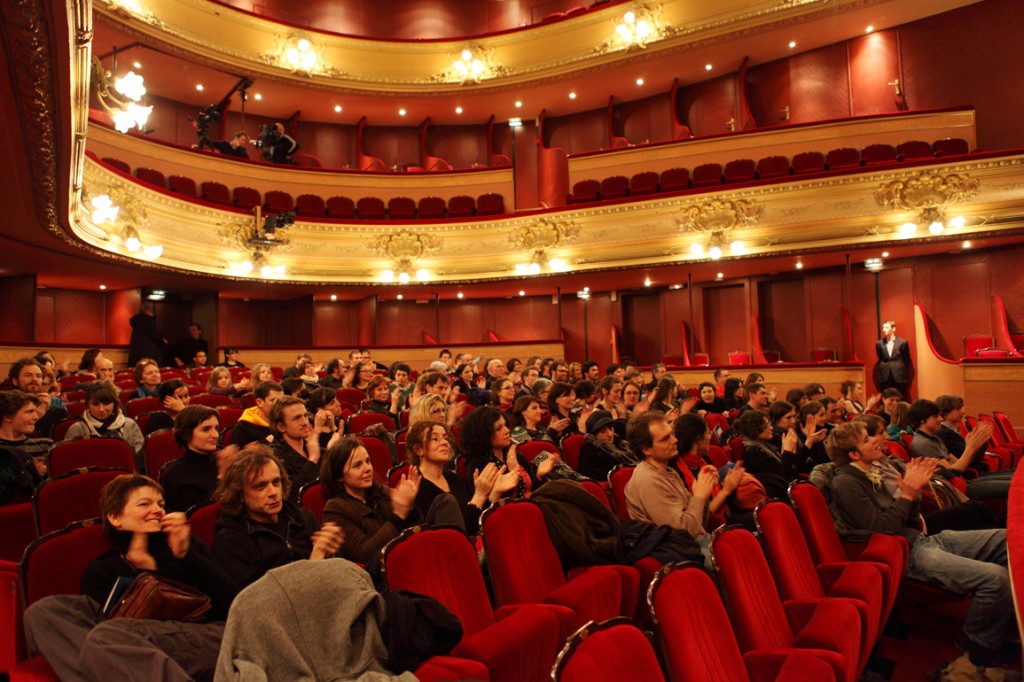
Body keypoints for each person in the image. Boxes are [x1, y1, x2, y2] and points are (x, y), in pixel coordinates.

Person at [825, 422, 1015, 669]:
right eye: (866, 439)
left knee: (1006, 538)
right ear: (854, 454)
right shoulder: (846, 483)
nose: (874, 440)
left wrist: (911, 492)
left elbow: (907, 516)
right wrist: (907, 494)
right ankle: (976, 644)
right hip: (907, 552)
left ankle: (1004, 622)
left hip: (921, 539)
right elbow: (881, 527)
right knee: (996, 578)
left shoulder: (869, 471)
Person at [23, 474, 238, 682]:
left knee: (107, 637)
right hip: (134, 651)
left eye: (161, 504)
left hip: (206, 636)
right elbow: (117, 639)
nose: (158, 510)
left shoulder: (185, 546)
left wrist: (184, 558)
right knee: (41, 613)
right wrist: (143, 575)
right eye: (145, 504)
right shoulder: (102, 570)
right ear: (115, 517)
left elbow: (235, 606)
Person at [212, 448, 343, 589]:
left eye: (276, 482)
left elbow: (333, 571)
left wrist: (330, 552)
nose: (273, 492)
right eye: (260, 486)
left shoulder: (303, 518)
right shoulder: (230, 541)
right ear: (240, 494)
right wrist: (314, 562)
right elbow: (254, 604)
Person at [624, 412, 718, 567]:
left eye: (672, 435)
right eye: (665, 439)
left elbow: (699, 523)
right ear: (647, 449)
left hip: (695, 544)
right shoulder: (649, 481)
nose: (675, 440)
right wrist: (699, 497)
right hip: (683, 554)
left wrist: (703, 493)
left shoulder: (669, 472)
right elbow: (686, 532)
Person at [321, 437, 420, 565]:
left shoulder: (380, 491)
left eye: (368, 461)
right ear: (339, 476)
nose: (368, 468)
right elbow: (364, 554)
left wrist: (409, 506)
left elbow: (417, 526)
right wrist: (399, 515)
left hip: (408, 556)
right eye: (357, 465)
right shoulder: (335, 509)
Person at [408, 420, 515, 535]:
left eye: (445, 438)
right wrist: (480, 495)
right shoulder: (417, 487)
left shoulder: (453, 478)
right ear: (419, 449)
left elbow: (474, 521)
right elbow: (459, 531)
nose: (444, 442)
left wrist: (494, 494)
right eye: (435, 439)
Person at [908, 399, 1011, 500]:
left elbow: (959, 465)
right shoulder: (923, 443)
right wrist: (971, 448)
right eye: (935, 416)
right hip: (956, 490)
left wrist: (972, 446)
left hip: (963, 482)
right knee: (1014, 487)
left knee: (1015, 479)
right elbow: (953, 471)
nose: (940, 419)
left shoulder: (934, 438)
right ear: (922, 420)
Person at [460, 406, 558, 499]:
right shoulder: (477, 465)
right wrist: (511, 470)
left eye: (505, 425)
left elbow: (532, 490)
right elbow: (484, 507)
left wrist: (539, 475)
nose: (507, 430)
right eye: (499, 428)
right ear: (483, 434)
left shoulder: (516, 455)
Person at [268, 395, 332, 502]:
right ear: (281, 427)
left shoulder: (312, 447)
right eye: (297, 418)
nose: (305, 422)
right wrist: (312, 460)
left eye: (305, 416)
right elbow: (289, 494)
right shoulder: (274, 457)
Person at [161, 405, 222, 512]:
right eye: (206, 429)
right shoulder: (175, 474)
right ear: (186, 434)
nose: (216, 435)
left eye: (216, 428)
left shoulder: (222, 463)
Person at [64, 382, 145, 463]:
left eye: (106, 404)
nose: (101, 409)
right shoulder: (77, 429)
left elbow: (139, 456)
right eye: (95, 404)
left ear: (114, 403)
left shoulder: (129, 424)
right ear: (87, 405)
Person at [733, 409, 805, 500]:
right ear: (755, 430)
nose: (771, 428)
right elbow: (779, 479)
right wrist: (787, 454)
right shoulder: (752, 454)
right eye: (767, 425)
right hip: (779, 496)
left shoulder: (767, 444)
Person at [0, 391, 46, 501]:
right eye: (30, 412)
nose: (36, 417)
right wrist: (32, 472)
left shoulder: (45, 445)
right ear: (7, 416)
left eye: (35, 411)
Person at [8, 358, 68, 438]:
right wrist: (38, 414)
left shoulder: (55, 403)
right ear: (15, 381)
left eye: (38, 376)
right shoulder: (6, 403)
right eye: (28, 375)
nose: (34, 379)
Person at [576, 409, 639, 481]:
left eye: (611, 429)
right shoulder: (589, 449)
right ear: (594, 435)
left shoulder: (620, 443)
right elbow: (588, 475)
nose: (610, 434)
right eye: (603, 432)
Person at [876, 319, 911, 396]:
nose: (884, 330)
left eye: (887, 327)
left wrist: (900, 366)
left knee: (900, 395)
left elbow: (906, 358)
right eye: (883, 328)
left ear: (893, 329)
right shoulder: (879, 343)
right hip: (885, 374)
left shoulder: (902, 342)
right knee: (886, 395)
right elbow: (880, 356)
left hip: (899, 374)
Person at [128, 301, 166, 367]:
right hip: (150, 353)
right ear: (149, 311)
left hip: (136, 354)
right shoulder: (149, 321)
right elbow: (156, 335)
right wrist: (163, 341)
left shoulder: (137, 322)